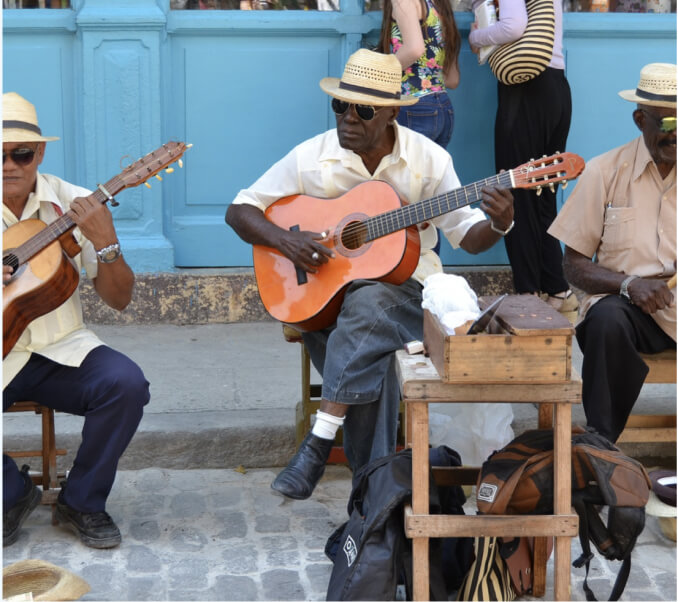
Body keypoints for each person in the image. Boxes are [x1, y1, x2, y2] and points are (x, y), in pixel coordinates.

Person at [225, 49, 514, 500]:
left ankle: (322, 445)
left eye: (362, 110)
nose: (347, 120)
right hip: (326, 306)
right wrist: (288, 243)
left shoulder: (429, 160)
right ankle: (373, 501)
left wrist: (498, 223)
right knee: (371, 355)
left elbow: (466, 234)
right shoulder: (311, 156)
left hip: (408, 299)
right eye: (340, 106)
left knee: (372, 301)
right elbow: (240, 210)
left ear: (391, 114)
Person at [2, 92, 150, 548]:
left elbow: (118, 300)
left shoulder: (73, 205)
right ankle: (12, 492)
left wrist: (106, 243)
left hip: (60, 350)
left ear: (40, 153)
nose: (9, 164)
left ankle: (82, 501)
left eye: (21, 153)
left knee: (126, 384)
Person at [547, 63, 676, 443]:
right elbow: (573, 265)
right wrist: (630, 284)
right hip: (633, 310)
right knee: (605, 320)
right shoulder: (604, 172)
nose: (676, 135)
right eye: (667, 124)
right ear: (640, 119)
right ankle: (600, 448)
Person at [469, 0, 576, 316]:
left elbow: (512, 26)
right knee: (543, 194)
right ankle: (557, 287)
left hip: (526, 93)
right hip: (555, 86)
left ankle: (528, 293)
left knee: (514, 193)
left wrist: (476, 36)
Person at [379, 0, 461, 150]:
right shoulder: (440, 6)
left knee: (403, 172)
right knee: (430, 172)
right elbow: (452, 80)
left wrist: (376, 75)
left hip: (413, 104)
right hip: (443, 107)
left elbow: (414, 49)